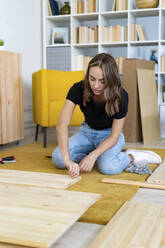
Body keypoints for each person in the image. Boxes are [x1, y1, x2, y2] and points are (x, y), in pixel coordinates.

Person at [52, 53, 161, 178]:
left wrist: (92, 155)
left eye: (102, 81)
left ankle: (130, 156)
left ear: (111, 79)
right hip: (86, 132)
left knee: (109, 167)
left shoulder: (121, 96)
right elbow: (62, 125)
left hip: (109, 135)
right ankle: (97, 156)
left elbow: (114, 136)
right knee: (59, 159)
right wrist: (67, 160)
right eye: (92, 79)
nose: (96, 86)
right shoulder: (78, 88)